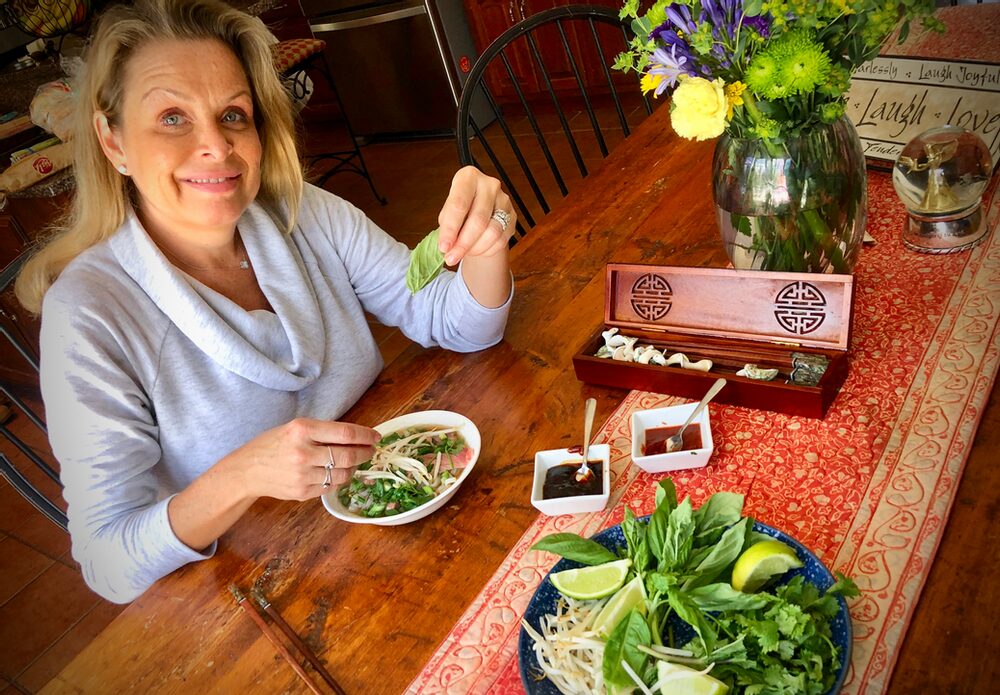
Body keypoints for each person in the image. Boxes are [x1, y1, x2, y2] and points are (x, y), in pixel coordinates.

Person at [14, 0, 515, 604]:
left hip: (405, 515)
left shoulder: (303, 211)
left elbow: (456, 325)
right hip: (265, 592)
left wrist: (488, 235)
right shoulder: (89, 315)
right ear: (112, 140)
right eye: (172, 117)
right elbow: (108, 558)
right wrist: (247, 471)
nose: (217, 148)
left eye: (233, 114)